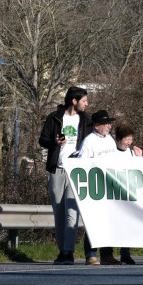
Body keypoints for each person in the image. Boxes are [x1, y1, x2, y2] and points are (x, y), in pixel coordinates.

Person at [38, 86, 92, 265]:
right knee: (59, 212)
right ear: (74, 101)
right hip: (57, 169)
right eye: (84, 101)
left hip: (76, 170)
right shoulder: (54, 117)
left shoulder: (86, 120)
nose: (87, 104)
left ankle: (68, 251)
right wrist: (54, 142)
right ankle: (62, 252)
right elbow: (42, 140)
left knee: (72, 211)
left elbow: (92, 142)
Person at [75, 110, 120, 265]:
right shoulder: (89, 142)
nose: (109, 126)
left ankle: (107, 254)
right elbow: (82, 164)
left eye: (109, 123)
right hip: (94, 187)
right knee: (94, 221)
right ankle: (91, 254)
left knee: (110, 221)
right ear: (97, 125)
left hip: (109, 186)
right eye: (106, 123)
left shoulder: (110, 140)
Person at [113, 123, 141, 265]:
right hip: (114, 194)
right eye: (126, 139)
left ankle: (125, 252)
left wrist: (139, 158)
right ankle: (108, 253)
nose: (129, 142)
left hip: (128, 193)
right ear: (118, 139)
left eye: (130, 139)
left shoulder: (131, 153)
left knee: (128, 223)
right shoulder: (111, 152)